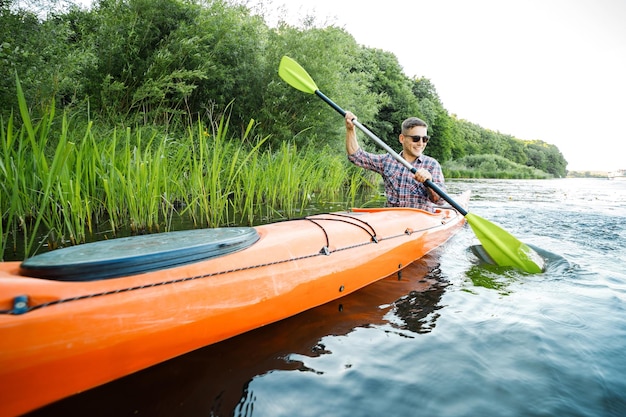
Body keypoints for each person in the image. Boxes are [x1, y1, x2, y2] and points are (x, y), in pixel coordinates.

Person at [344, 111, 445, 212]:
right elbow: (356, 157)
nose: (421, 143)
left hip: (420, 221)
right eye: (416, 138)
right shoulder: (387, 161)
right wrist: (350, 129)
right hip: (391, 219)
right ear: (402, 138)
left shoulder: (432, 165)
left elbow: (439, 201)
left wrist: (429, 183)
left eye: (425, 139)